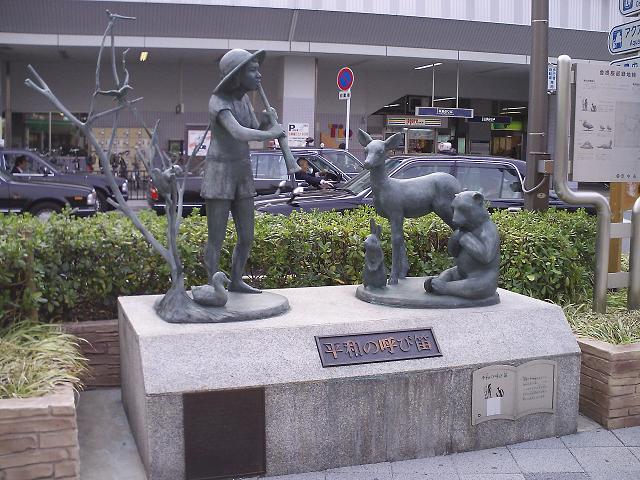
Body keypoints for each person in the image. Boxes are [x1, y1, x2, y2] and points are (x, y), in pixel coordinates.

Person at [202, 48, 285, 293]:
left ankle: (236, 280)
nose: (259, 75)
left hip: (242, 171)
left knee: (247, 235)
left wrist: (266, 122)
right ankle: (213, 286)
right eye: (253, 70)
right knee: (216, 237)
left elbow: (252, 128)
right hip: (219, 172)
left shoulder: (244, 101)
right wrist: (270, 133)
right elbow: (238, 132)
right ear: (237, 75)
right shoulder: (218, 102)